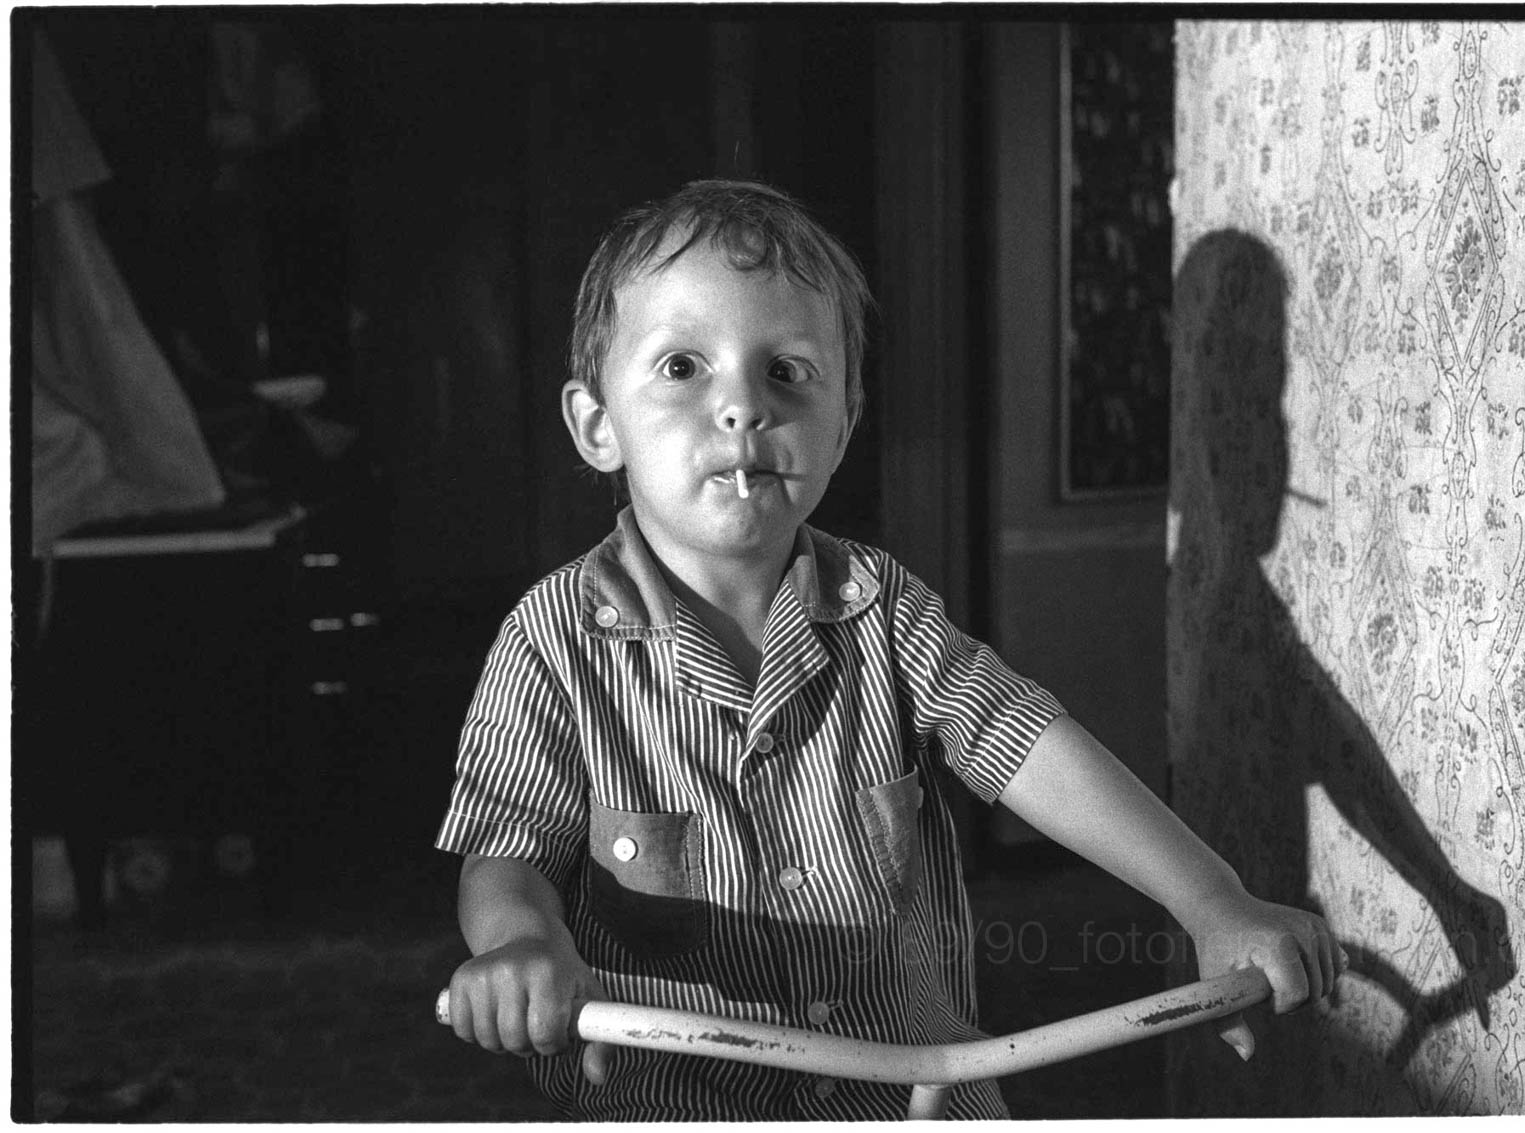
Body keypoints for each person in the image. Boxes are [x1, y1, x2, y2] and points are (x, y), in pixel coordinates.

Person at [436, 180, 1346, 1120]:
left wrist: (1210, 900)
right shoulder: (551, 640)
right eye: (682, 367)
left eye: (785, 370)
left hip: (910, 1099)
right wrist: (520, 944)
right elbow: (507, 851)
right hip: (675, 1104)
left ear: (844, 421)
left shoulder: (883, 607)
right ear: (597, 426)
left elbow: (1030, 745)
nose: (742, 405)